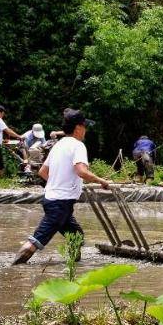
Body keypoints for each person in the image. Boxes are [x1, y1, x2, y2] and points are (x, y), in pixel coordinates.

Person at [12, 109, 112, 265]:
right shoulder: (78, 146)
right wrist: (101, 181)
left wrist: (60, 182)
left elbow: (43, 172)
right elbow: (81, 171)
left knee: (76, 236)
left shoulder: (58, 145)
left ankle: (72, 267)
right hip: (61, 203)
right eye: (84, 127)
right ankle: (13, 268)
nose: (85, 130)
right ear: (78, 128)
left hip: (52, 200)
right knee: (37, 240)